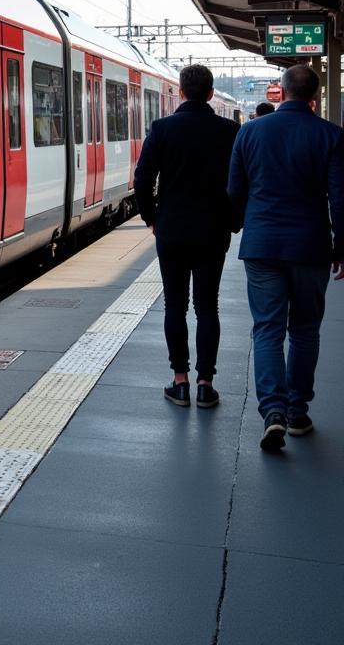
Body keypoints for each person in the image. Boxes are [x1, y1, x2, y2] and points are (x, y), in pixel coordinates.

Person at [227, 64, 344, 451]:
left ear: (281, 90)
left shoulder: (250, 131)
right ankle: (297, 412)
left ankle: (272, 412)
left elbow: (235, 190)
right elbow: (340, 200)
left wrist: (249, 223)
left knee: (267, 329)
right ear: (315, 97)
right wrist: (341, 246)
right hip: (310, 246)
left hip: (262, 245)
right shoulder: (331, 136)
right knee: (306, 330)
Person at [133, 65, 239, 408]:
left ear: (180, 92)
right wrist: (233, 221)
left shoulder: (162, 129)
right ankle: (206, 384)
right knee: (208, 307)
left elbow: (142, 180)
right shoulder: (229, 130)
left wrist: (153, 218)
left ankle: (180, 382)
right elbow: (242, 183)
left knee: (174, 306)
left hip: (173, 230)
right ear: (210, 94)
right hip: (213, 230)